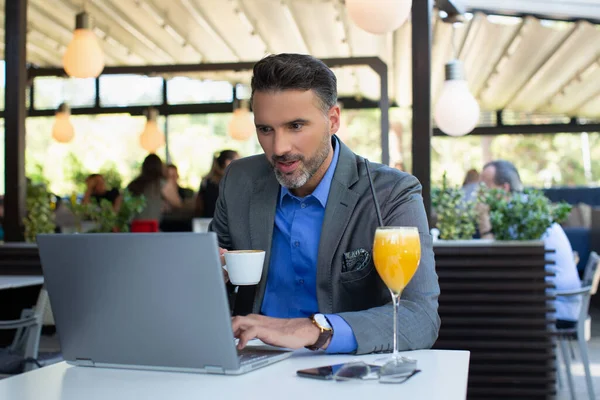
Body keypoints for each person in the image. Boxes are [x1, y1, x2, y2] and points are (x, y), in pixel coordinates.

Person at [211, 53, 440, 355]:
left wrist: (314, 329)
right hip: (250, 359)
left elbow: (420, 317)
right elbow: (210, 287)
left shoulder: (391, 193)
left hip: (343, 370)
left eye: (295, 126)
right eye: (265, 129)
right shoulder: (239, 180)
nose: (279, 148)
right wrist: (206, 271)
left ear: (333, 120)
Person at [478, 160, 581, 326]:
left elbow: (495, 262)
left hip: (556, 308)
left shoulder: (521, 215)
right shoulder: (526, 207)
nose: (480, 192)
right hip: (556, 303)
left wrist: (484, 223)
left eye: (485, 185)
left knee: (481, 314)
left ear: (504, 188)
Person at [127, 154, 182, 221]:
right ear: (160, 167)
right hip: (151, 228)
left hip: (132, 228)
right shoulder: (162, 184)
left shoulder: (133, 185)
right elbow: (178, 203)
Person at [195, 150, 239, 218]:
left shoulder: (206, 181)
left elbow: (199, 205)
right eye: (238, 160)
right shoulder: (231, 181)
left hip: (206, 221)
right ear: (228, 162)